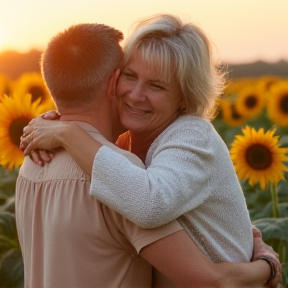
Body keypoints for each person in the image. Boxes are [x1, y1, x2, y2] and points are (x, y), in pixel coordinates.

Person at [21, 15, 282, 287]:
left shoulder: (193, 136)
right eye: (130, 76)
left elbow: (150, 204)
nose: (135, 94)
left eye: (156, 85)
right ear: (114, 81)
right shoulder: (122, 143)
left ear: (184, 96)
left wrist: (68, 132)